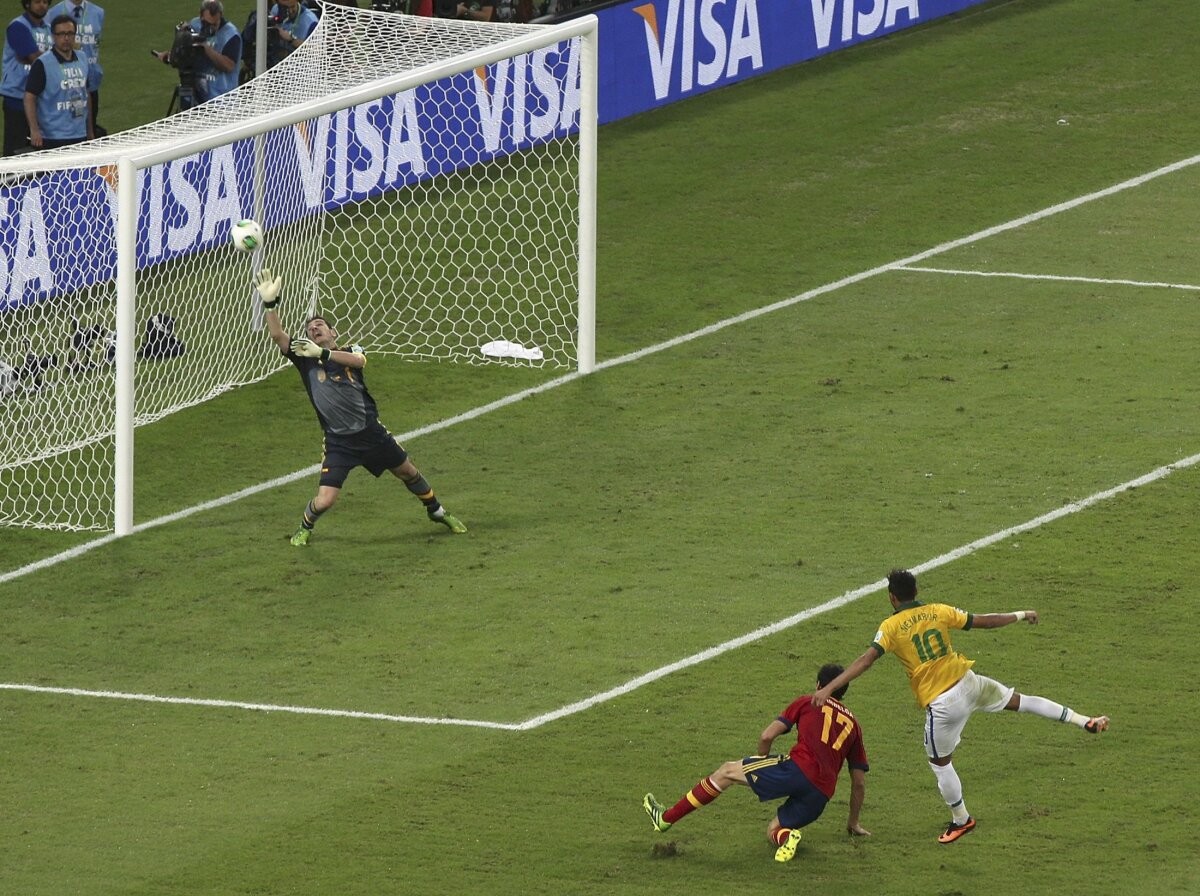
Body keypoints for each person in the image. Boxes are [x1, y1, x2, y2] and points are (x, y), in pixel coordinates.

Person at [811, 568, 1109, 845]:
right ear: (916, 590)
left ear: (892, 597)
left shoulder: (890, 626)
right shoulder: (938, 610)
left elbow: (866, 660)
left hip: (943, 704)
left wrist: (829, 688)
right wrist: (1021, 614)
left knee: (940, 763)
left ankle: (961, 820)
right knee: (1022, 702)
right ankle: (1085, 720)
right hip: (969, 682)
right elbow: (984, 620)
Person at [253, 267, 468, 545]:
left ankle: (437, 511)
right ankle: (305, 527)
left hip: (373, 434)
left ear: (333, 332)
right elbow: (277, 336)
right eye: (309, 328)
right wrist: (270, 304)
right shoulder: (305, 360)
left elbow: (360, 362)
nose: (314, 328)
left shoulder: (352, 351)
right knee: (326, 500)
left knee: (408, 472)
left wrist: (325, 352)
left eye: (319, 325)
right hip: (339, 442)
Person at [642, 663, 869, 863]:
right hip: (821, 794)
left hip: (796, 770)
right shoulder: (854, 726)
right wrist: (853, 823)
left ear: (819, 685)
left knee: (727, 771)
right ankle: (788, 837)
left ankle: (665, 818)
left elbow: (767, 736)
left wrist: (761, 764)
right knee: (775, 829)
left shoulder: (807, 702)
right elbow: (859, 782)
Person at [155, 0, 240, 108]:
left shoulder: (231, 35)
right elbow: (188, 50)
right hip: (197, 97)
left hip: (223, 103)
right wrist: (173, 55)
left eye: (214, 24)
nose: (211, 28)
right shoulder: (195, 25)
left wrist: (206, 48)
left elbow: (229, 66)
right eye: (207, 23)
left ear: (220, 16)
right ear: (201, 16)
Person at [23, 12, 90, 149]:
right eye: (61, 34)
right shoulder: (42, 63)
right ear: (53, 36)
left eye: (70, 33)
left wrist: (89, 130)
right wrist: (34, 130)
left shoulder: (82, 58)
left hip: (80, 134)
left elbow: (86, 94)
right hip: (52, 137)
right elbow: (29, 97)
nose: (66, 38)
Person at [1, 0, 51, 155]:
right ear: (27, 4)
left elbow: (38, 58)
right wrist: (50, 58)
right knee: (16, 147)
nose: (42, 5)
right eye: (37, 1)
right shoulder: (18, 26)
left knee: (37, 147)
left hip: (39, 97)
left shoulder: (48, 28)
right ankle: (8, 179)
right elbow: (35, 58)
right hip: (17, 96)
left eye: (45, 2)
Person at [47, 0, 102, 135]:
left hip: (89, 79)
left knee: (89, 126)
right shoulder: (53, 13)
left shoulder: (98, 12)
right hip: (63, 81)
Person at [266, 0, 317, 68]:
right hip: (277, 62)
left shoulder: (311, 21)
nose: (289, 11)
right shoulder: (275, 10)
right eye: (285, 8)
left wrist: (291, 40)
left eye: (292, 7)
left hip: (301, 68)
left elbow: (315, 50)